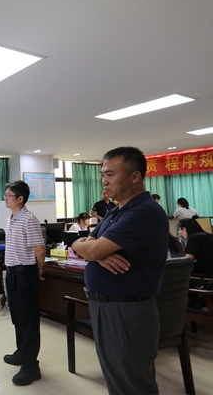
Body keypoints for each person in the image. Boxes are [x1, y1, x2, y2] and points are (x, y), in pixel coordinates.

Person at [72, 147, 168, 395]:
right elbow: (82, 244)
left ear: (135, 176)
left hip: (127, 310)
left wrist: (94, 253)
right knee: (117, 379)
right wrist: (95, 254)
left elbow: (92, 249)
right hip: (106, 306)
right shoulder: (117, 210)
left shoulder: (143, 211)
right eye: (103, 175)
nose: (104, 181)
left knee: (132, 383)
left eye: (110, 174)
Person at [2, 181, 46, 386]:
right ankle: (22, 353)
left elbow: (40, 249)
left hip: (25, 274)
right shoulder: (10, 219)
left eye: (8, 195)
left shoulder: (29, 220)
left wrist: (39, 270)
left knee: (28, 321)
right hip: (12, 275)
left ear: (20, 199)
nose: (5, 198)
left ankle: (31, 366)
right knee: (17, 319)